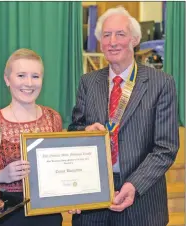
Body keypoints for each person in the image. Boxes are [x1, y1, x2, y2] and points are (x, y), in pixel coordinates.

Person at [68, 7, 179, 226]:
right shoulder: (87, 82)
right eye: (106, 35)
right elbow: (74, 130)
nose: (113, 41)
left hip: (142, 197)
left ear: (135, 39)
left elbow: (166, 148)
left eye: (120, 34)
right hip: (93, 195)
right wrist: (84, 133)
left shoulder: (161, 83)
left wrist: (133, 185)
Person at [0, 48, 63, 226]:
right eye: (21, 75)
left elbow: (60, 166)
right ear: (7, 79)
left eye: (35, 76)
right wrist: (1, 175)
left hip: (47, 210)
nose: (29, 83)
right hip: (7, 213)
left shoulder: (53, 117)